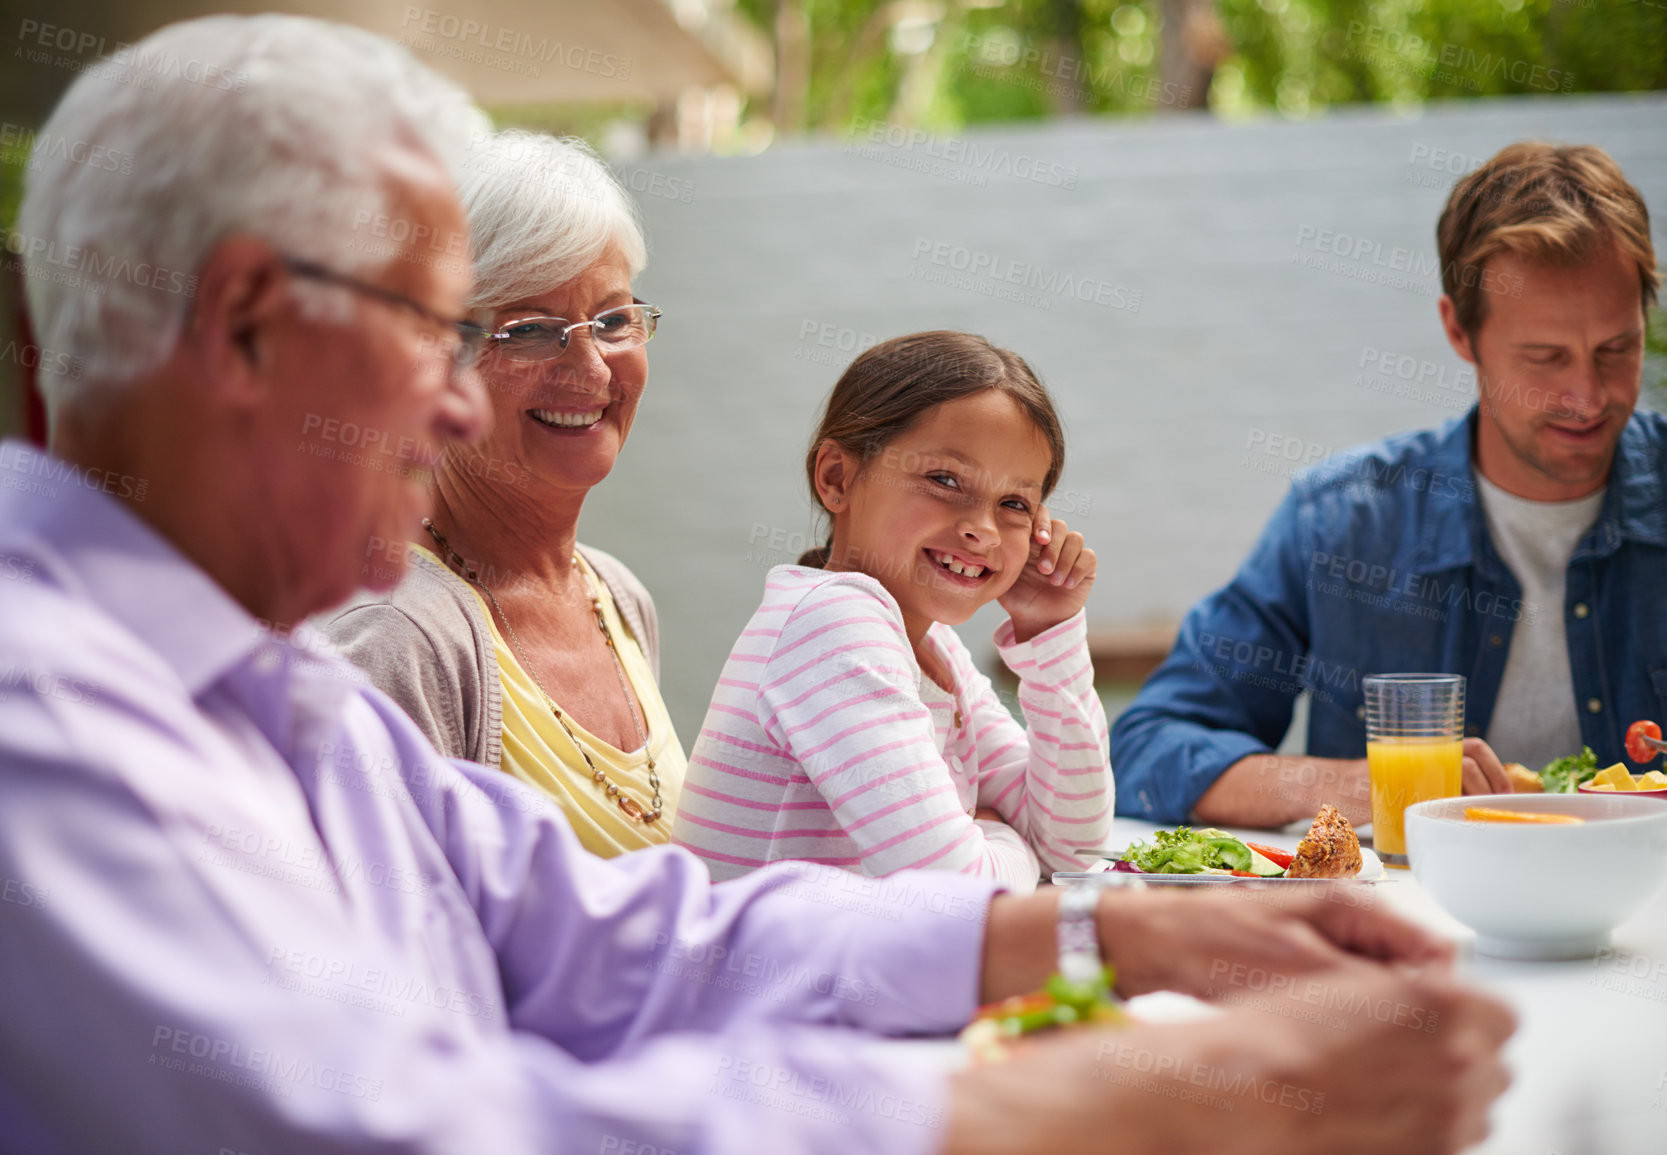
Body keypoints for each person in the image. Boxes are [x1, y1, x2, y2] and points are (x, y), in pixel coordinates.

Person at [0, 16, 1515, 1153]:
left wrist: (1103, 936)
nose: (464, 404)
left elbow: (620, 937)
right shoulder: (43, 723)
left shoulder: (271, 691)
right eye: (437, 330)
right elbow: (408, 1127)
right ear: (251, 327)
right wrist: (1119, 1100)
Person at [1112, 142, 1667, 829]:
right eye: (1543, 358)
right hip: (1404, 930)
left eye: (1616, 349)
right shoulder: (1340, 523)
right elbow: (1147, 746)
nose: (1585, 396)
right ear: (1458, 332)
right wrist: (1352, 784)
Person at [321, 130, 685, 858]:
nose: (590, 369)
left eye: (612, 320)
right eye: (529, 332)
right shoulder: (394, 636)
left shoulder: (615, 595)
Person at [674, 333, 1112, 891]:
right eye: (945, 480)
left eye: (1014, 504)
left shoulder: (932, 649)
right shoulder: (833, 627)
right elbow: (961, 896)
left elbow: (1074, 849)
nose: (981, 528)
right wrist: (1001, 835)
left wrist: (1049, 634)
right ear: (837, 478)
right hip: (763, 979)